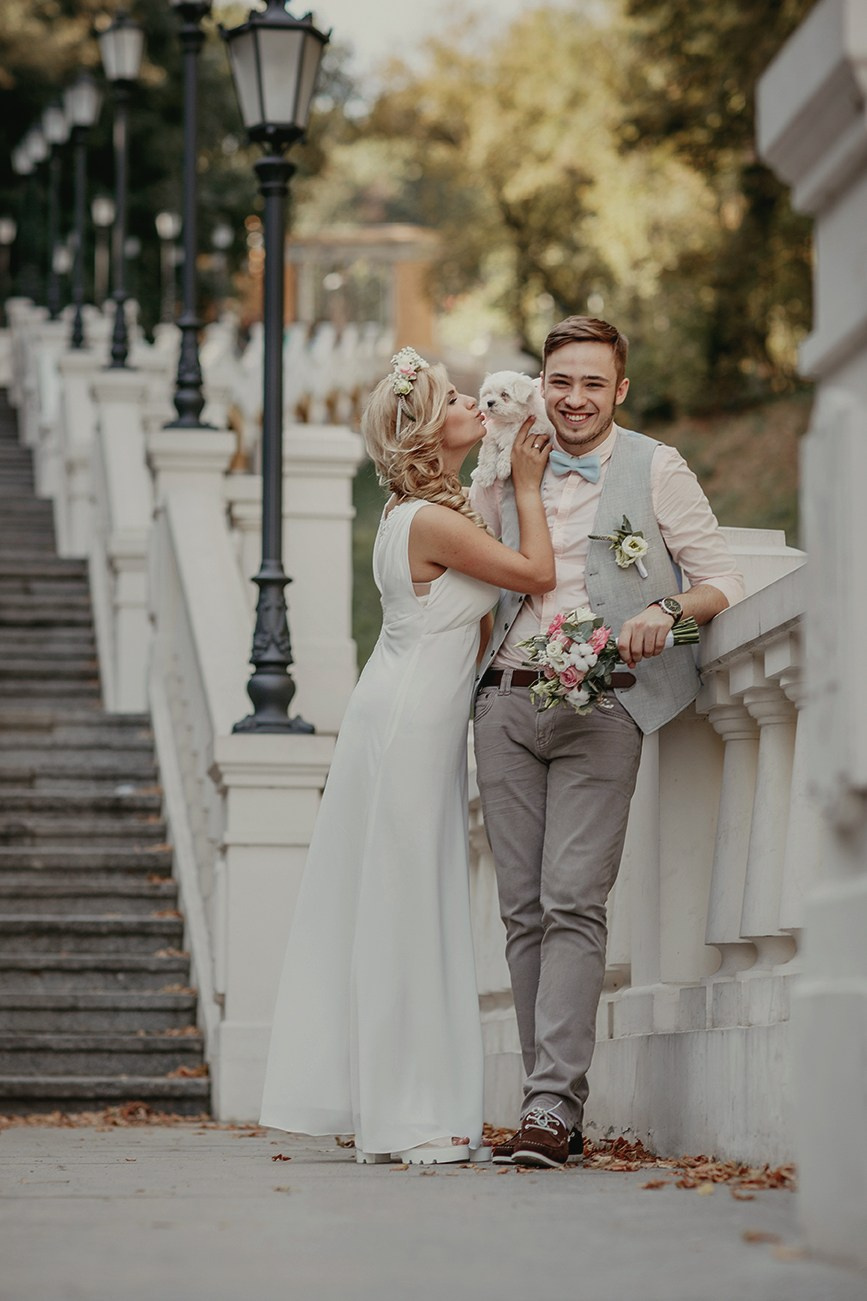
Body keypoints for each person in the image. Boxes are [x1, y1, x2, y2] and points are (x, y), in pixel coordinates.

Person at [259, 347, 556, 1165]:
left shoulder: (413, 514)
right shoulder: (430, 521)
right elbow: (535, 572)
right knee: (407, 904)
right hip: (409, 722)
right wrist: (527, 489)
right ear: (429, 427)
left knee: (407, 898)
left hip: (402, 710)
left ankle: (406, 1100)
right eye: (457, 397)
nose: (472, 402)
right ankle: (408, 1108)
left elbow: (481, 622)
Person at [470, 316, 745, 1169]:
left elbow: (720, 579)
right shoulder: (506, 455)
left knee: (571, 899)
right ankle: (540, 1098)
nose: (574, 399)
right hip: (505, 702)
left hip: (603, 706)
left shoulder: (655, 466)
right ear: (542, 385)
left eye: (592, 383)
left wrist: (663, 613)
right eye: (561, 382)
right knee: (520, 910)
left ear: (618, 390)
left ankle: (552, 1106)